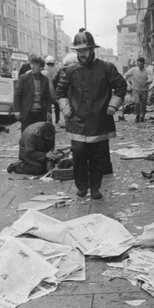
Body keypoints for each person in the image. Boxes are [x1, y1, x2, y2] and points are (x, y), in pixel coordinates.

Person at [55, 30, 127, 200]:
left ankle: (95, 188)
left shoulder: (106, 68)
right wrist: (65, 108)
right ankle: (81, 187)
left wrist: (113, 105)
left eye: (85, 50)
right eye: (79, 51)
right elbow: (60, 91)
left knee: (97, 158)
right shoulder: (70, 71)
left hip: (99, 121)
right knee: (79, 156)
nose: (82, 54)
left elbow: (121, 86)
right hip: (77, 122)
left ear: (92, 50)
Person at [14, 55, 52, 132]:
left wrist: (48, 110)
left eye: (36, 65)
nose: (32, 67)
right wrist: (17, 110)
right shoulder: (23, 78)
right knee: (26, 134)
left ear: (41, 68)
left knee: (39, 134)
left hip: (40, 113)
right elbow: (17, 95)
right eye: (31, 64)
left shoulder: (45, 80)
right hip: (27, 113)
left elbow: (47, 97)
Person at [124, 57, 153, 123]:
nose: (140, 66)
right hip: (135, 89)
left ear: (144, 64)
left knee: (143, 104)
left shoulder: (147, 71)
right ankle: (137, 115)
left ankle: (142, 116)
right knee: (137, 102)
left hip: (144, 90)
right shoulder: (133, 70)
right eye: (138, 64)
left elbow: (150, 78)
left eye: (141, 64)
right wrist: (124, 78)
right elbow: (126, 74)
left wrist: (149, 81)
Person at [43, 55, 60, 124]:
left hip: (47, 91)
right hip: (56, 89)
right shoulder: (57, 69)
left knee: (48, 106)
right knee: (57, 106)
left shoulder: (44, 70)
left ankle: (49, 121)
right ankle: (57, 119)